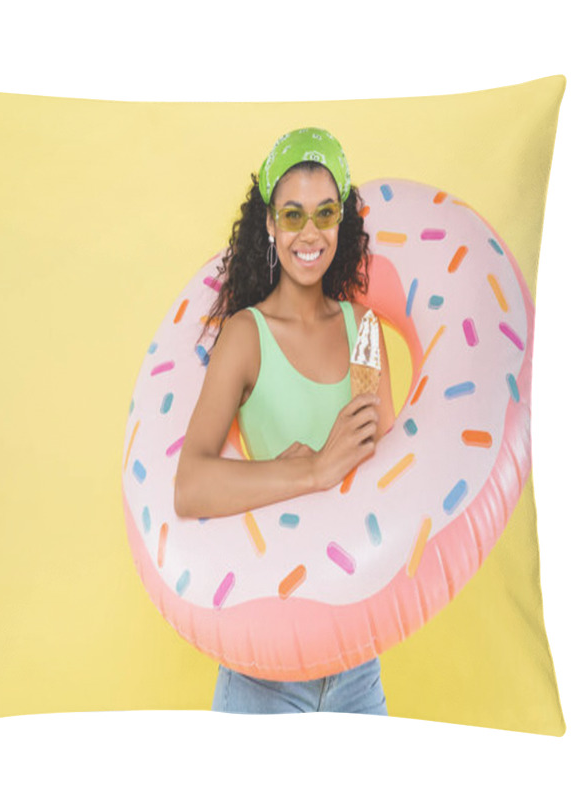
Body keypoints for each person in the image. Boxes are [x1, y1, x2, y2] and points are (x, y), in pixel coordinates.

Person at [173, 128, 396, 714]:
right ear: (270, 225)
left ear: (341, 221)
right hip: (262, 664)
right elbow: (190, 485)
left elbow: (388, 477)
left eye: (324, 213)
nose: (308, 233)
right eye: (291, 215)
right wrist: (311, 471)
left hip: (356, 661)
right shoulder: (246, 336)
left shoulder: (365, 333)